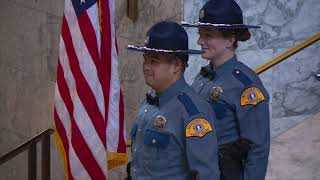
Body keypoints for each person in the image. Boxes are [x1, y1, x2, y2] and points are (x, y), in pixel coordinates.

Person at [182, 0, 270, 180]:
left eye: (208, 35)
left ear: (230, 39)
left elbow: (257, 148)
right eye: (200, 34)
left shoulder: (245, 84)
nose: (200, 41)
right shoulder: (203, 77)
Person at [126, 21, 220, 180]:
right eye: (145, 59)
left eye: (154, 61)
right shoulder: (150, 101)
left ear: (176, 65)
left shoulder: (193, 112)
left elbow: (207, 175)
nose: (146, 67)